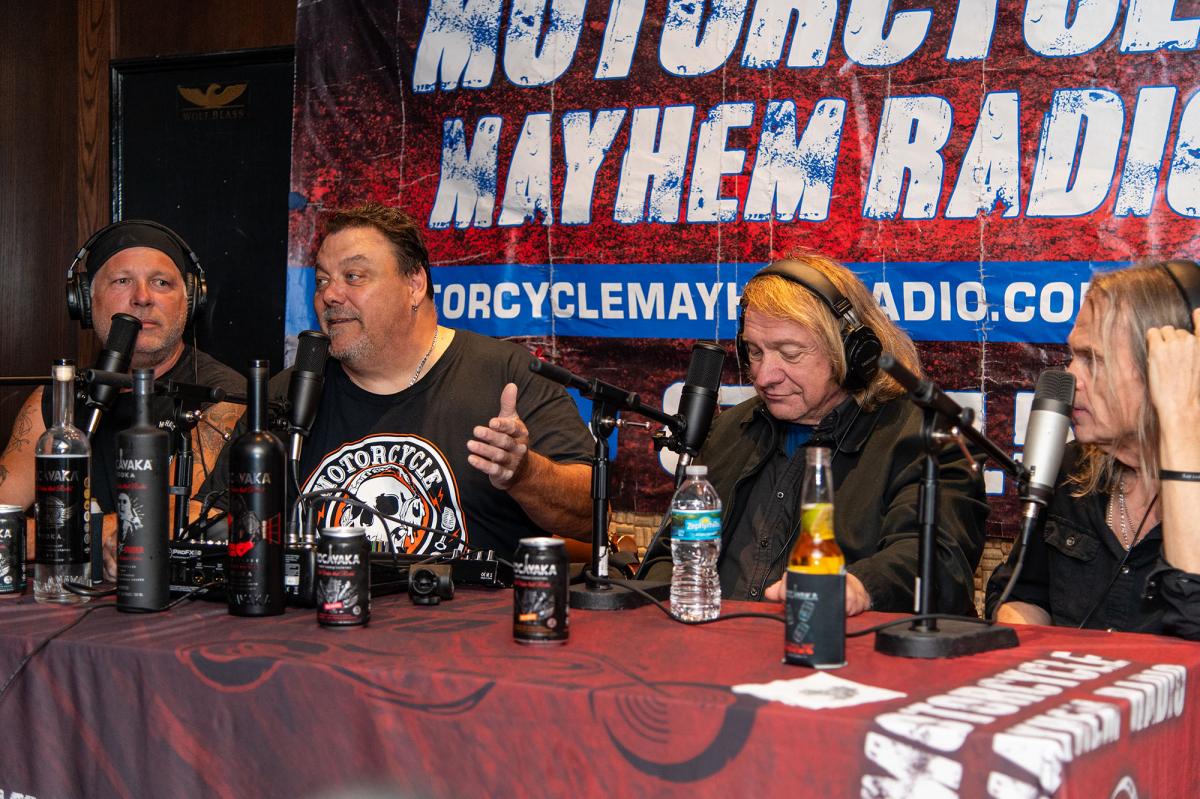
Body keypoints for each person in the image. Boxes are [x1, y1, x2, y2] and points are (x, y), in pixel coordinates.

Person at [206, 203, 593, 559]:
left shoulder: (507, 376)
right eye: (322, 280)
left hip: (468, 613)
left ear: (415, 284)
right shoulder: (289, 394)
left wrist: (525, 474)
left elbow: (592, 515)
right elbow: (212, 521)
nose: (330, 295)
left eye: (353, 276)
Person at [648, 253, 989, 615]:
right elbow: (672, 552)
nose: (764, 376)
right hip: (716, 642)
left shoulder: (927, 439)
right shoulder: (728, 431)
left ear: (853, 352)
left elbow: (938, 557)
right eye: (755, 352)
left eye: (789, 353)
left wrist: (860, 587)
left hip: (847, 645)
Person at [0, 220, 243, 577]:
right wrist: (100, 534)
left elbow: (163, 523)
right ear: (85, 300)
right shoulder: (55, 399)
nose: (142, 297)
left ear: (190, 301)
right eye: (122, 281)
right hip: (70, 600)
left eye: (161, 282)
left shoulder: (221, 395)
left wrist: (43, 535)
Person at [986, 260, 1200, 639]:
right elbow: (1022, 595)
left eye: (1092, 359)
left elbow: (1193, 624)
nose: (1071, 376)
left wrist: (1179, 417)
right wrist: (1034, 653)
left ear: (1162, 369)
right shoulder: (1070, 467)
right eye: (1073, 356)